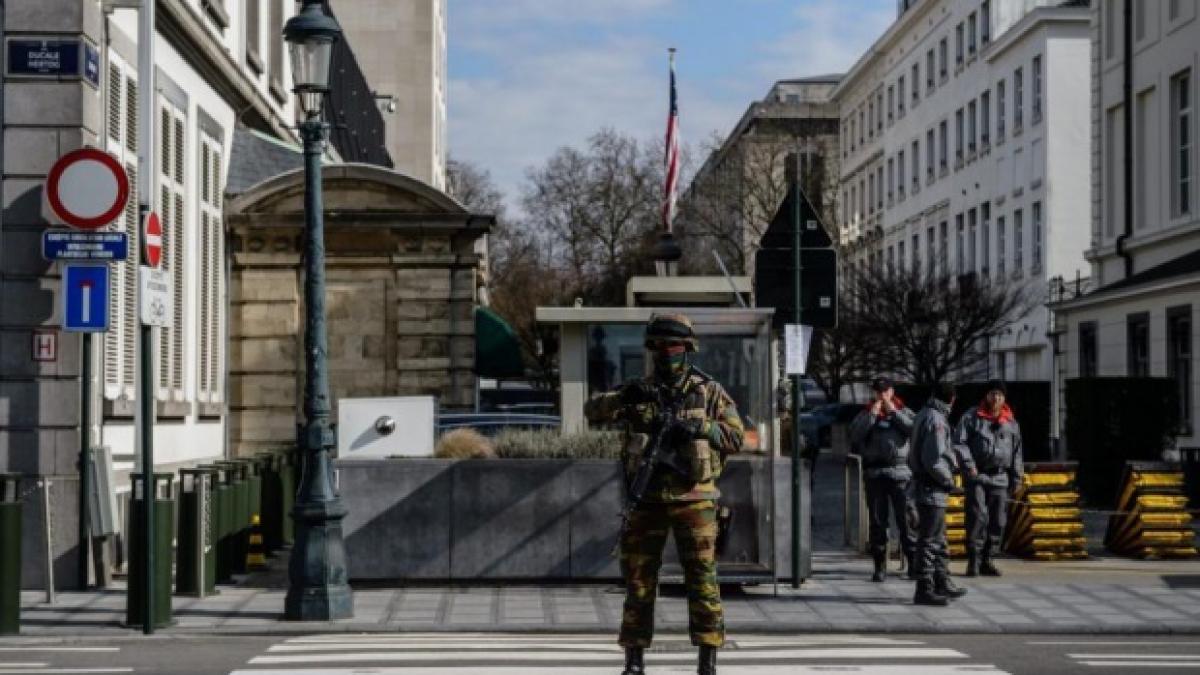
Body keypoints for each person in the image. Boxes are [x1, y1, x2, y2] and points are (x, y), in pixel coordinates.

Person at [584, 313, 744, 675]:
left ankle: (707, 659)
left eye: (673, 345)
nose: (666, 351)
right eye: (658, 345)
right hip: (647, 501)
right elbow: (592, 410)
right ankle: (634, 660)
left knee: (702, 581)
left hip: (695, 500)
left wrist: (701, 428)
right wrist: (622, 397)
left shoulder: (708, 391)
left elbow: (736, 436)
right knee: (639, 582)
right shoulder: (639, 389)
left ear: (687, 348)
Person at [850, 376, 917, 582]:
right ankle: (880, 566)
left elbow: (912, 429)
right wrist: (872, 415)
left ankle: (913, 564)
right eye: (879, 392)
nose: (882, 395)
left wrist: (893, 412)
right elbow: (855, 435)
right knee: (878, 522)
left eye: (886, 391)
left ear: (892, 392)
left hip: (900, 473)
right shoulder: (866, 413)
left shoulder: (904, 411)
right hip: (875, 473)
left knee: (906, 520)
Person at [908, 382, 969, 606]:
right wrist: (948, 481)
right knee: (930, 540)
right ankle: (924, 588)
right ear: (952, 399)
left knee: (939, 538)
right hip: (932, 487)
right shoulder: (937, 420)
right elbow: (933, 460)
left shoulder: (924, 413)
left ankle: (941, 580)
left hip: (927, 486)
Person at [955, 379, 1024, 577]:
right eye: (993, 394)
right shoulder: (971, 417)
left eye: (1000, 395)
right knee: (976, 517)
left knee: (998, 521)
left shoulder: (1011, 423)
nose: (996, 398)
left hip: (1000, 477)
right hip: (977, 476)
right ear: (986, 396)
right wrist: (969, 465)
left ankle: (988, 558)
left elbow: (1017, 452)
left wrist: (1016, 478)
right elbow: (959, 443)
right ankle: (973, 561)